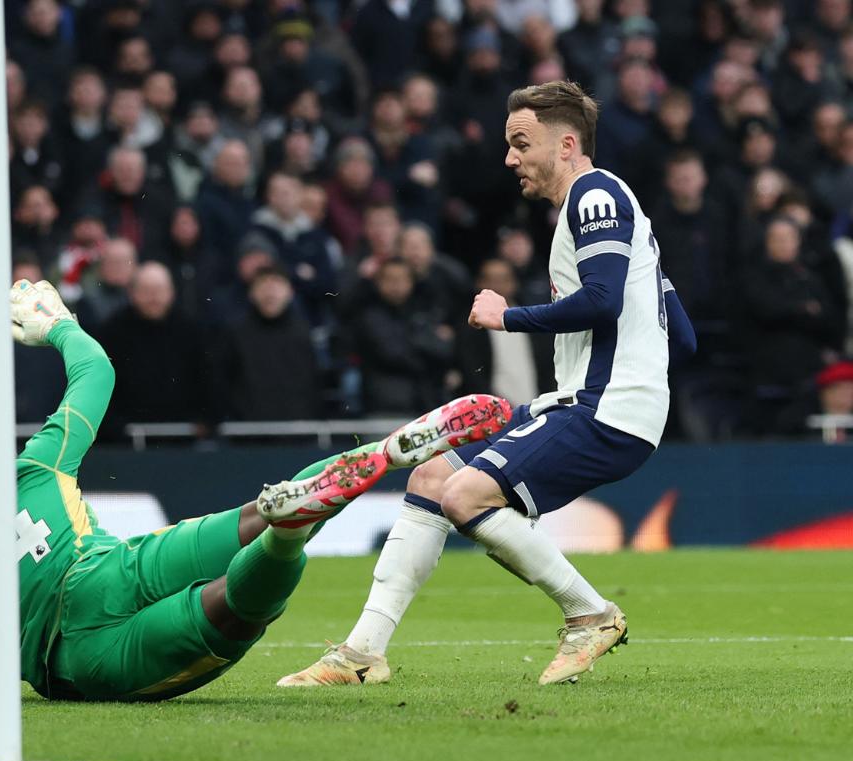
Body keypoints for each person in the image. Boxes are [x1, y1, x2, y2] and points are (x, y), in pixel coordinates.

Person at [0, 278, 511, 702]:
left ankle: (285, 541)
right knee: (251, 516)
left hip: (78, 656)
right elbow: (98, 371)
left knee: (227, 608)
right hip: (110, 569)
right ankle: (370, 461)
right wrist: (60, 327)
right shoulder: (36, 464)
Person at [280, 80, 698, 688]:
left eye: (521, 142)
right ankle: (363, 651)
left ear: (567, 144)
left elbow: (605, 302)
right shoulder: (614, 213)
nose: (510, 158)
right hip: (592, 401)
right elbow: (680, 338)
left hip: (603, 407)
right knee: (432, 477)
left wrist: (510, 318)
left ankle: (590, 614)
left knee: (466, 496)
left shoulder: (594, 193)